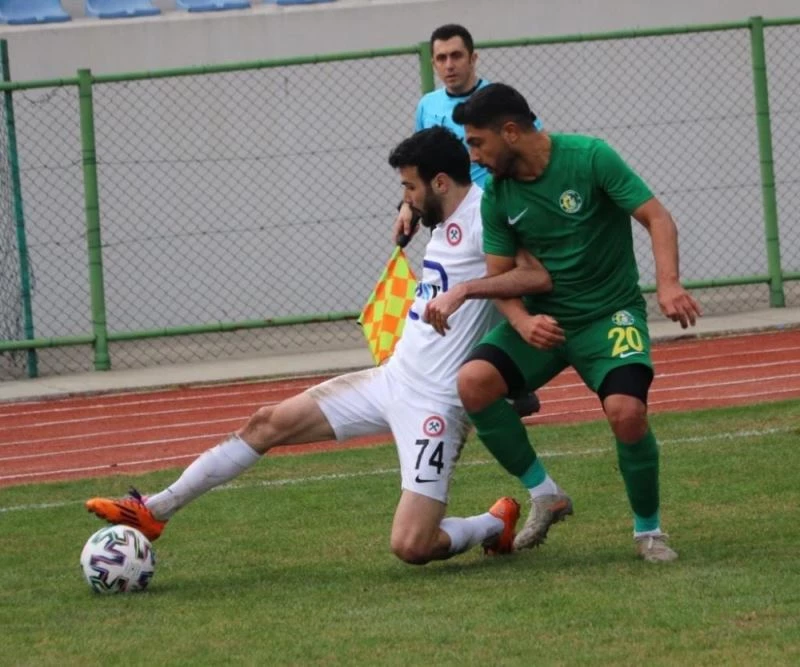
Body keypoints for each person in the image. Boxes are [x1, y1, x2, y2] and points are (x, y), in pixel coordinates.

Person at [85, 127, 555, 566]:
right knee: (266, 421)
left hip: (437, 406)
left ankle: (493, 522)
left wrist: (466, 293)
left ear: (440, 182)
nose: (405, 198)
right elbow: (431, 213)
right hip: (392, 378)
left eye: (410, 188)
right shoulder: (442, 211)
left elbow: (535, 274)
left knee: (412, 546)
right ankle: (154, 511)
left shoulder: (483, 219)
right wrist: (411, 209)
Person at [423, 83, 702, 562]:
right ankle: (545, 493)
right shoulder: (498, 196)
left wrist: (669, 284)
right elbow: (501, 277)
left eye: (478, 143)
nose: (474, 156)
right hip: (543, 323)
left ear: (511, 132)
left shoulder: (590, 157)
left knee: (627, 412)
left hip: (608, 317)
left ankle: (648, 531)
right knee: (473, 382)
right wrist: (521, 322)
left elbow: (657, 218)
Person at [395, 22, 542, 419]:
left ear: (473, 58)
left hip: (494, 212)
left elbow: (531, 146)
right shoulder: (428, 105)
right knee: (464, 299)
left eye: (457, 56)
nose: (449, 65)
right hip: (451, 219)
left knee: (506, 286)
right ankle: (480, 382)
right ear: (433, 63)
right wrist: (407, 206)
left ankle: (513, 378)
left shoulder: (496, 100)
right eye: (441, 58)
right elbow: (419, 162)